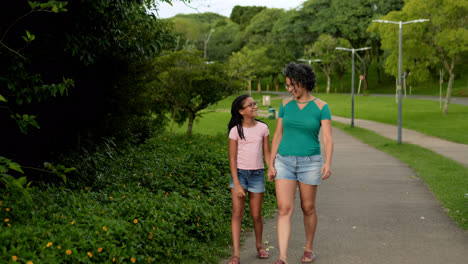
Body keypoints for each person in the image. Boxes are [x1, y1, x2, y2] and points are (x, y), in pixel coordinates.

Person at [268, 63, 333, 264]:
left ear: (303, 82)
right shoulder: (285, 105)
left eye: (292, 85)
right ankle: (283, 257)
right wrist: (270, 163)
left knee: (308, 207)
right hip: (284, 161)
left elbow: (328, 138)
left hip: (310, 163)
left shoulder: (322, 107)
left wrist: (328, 162)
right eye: (287, 85)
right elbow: (278, 134)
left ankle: (308, 249)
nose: (289, 89)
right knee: (284, 208)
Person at [227, 94, 271, 264]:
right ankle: (236, 254)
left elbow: (266, 153)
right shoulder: (235, 130)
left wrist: (271, 167)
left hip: (257, 175)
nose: (254, 106)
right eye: (250, 105)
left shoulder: (263, 128)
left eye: (255, 103)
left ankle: (259, 246)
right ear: (241, 111)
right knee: (237, 213)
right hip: (239, 175)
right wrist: (237, 184)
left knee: (256, 214)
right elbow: (232, 158)